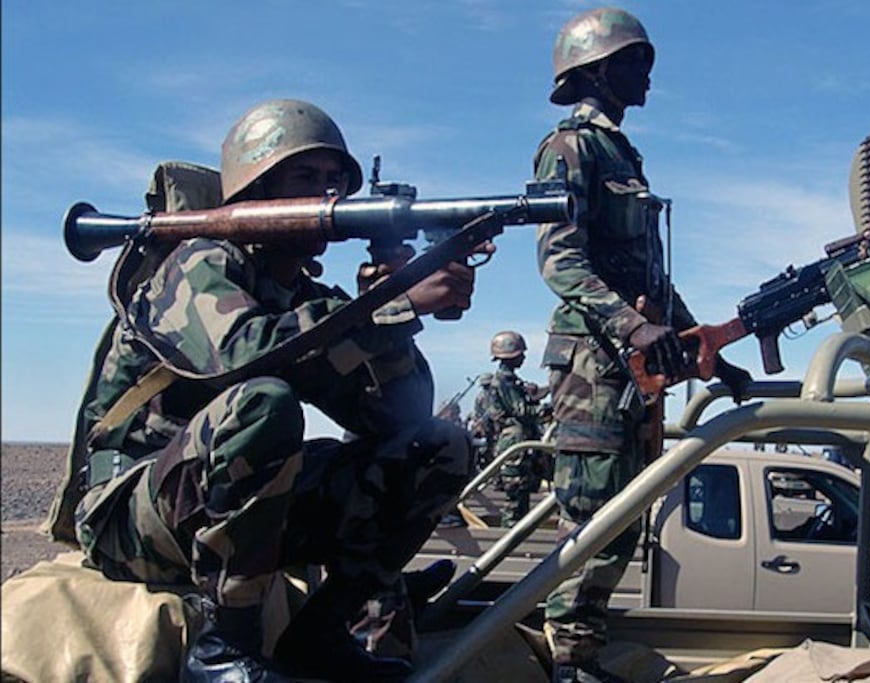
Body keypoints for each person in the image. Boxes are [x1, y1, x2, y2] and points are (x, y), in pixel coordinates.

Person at [47, 98, 482, 682]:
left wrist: (391, 309)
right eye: (306, 177)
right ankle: (223, 648)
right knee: (262, 404)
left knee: (439, 446)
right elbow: (245, 359)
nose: (327, 195)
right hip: (131, 512)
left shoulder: (305, 294)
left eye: (335, 182)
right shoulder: (197, 263)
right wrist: (386, 309)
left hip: (216, 501)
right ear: (256, 187)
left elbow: (393, 417)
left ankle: (322, 634)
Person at [532, 8, 753, 682]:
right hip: (593, 369)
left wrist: (705, 348)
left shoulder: (623, 154)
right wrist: (634, 327)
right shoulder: (569, 148)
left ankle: (583, 657)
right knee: (594, 520)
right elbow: (558, 260)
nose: (647, 76)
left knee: (625, 517)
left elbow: (649, 278)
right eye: (635, 62)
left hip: (635, 368)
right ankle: (567, 662)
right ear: (595, 70)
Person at [471, 330, 551, 527]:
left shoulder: (511, 381)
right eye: (520, 354)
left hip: (517, 442)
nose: (523, 357)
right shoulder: (504, 381)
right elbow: (522, 411)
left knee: (520, 496)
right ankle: (510, 538)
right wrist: (552, 408)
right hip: (514, 443)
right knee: (515, 499)